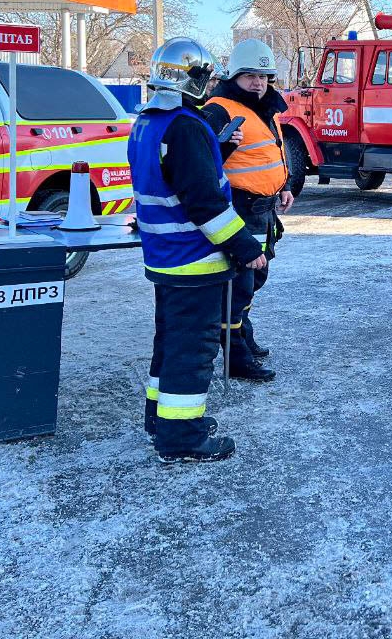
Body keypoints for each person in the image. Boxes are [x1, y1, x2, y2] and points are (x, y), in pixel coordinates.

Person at [129, 37, 266, 464]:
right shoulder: (185, 125)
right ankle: (183, 438)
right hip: (194, 259)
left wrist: (216, 150)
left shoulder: (149, 121)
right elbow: (204, 201)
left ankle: (161, 420)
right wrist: (245, 247)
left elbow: (171, 176)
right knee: (193, 351)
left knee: (169, 343)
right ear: (194, 78)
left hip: (165, 258)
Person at [202, 38, 293, 384]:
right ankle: (235, 354)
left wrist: (283, 187)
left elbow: (271, 153)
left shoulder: (265, 107)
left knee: (254, 280)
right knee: (237, 285)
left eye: (264, 75)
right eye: (250, 75)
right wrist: (222, 148)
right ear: (234, 75)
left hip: (264, 211)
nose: (258, 82)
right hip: (238, 208)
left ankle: (243, 336)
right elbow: (197, 163)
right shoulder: (218, 108)